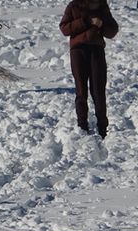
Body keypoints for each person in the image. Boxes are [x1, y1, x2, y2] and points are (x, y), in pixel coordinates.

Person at [59, 0, 119, 139]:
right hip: (78, 51)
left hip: (97, 50)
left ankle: (102, 127)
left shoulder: (102, 6)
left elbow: (113, 30)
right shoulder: (74, 6)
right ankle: (82, 126)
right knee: (81, 90)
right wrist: (86, 21)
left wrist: (101, 25)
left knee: (98, 91)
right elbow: (64, 28)